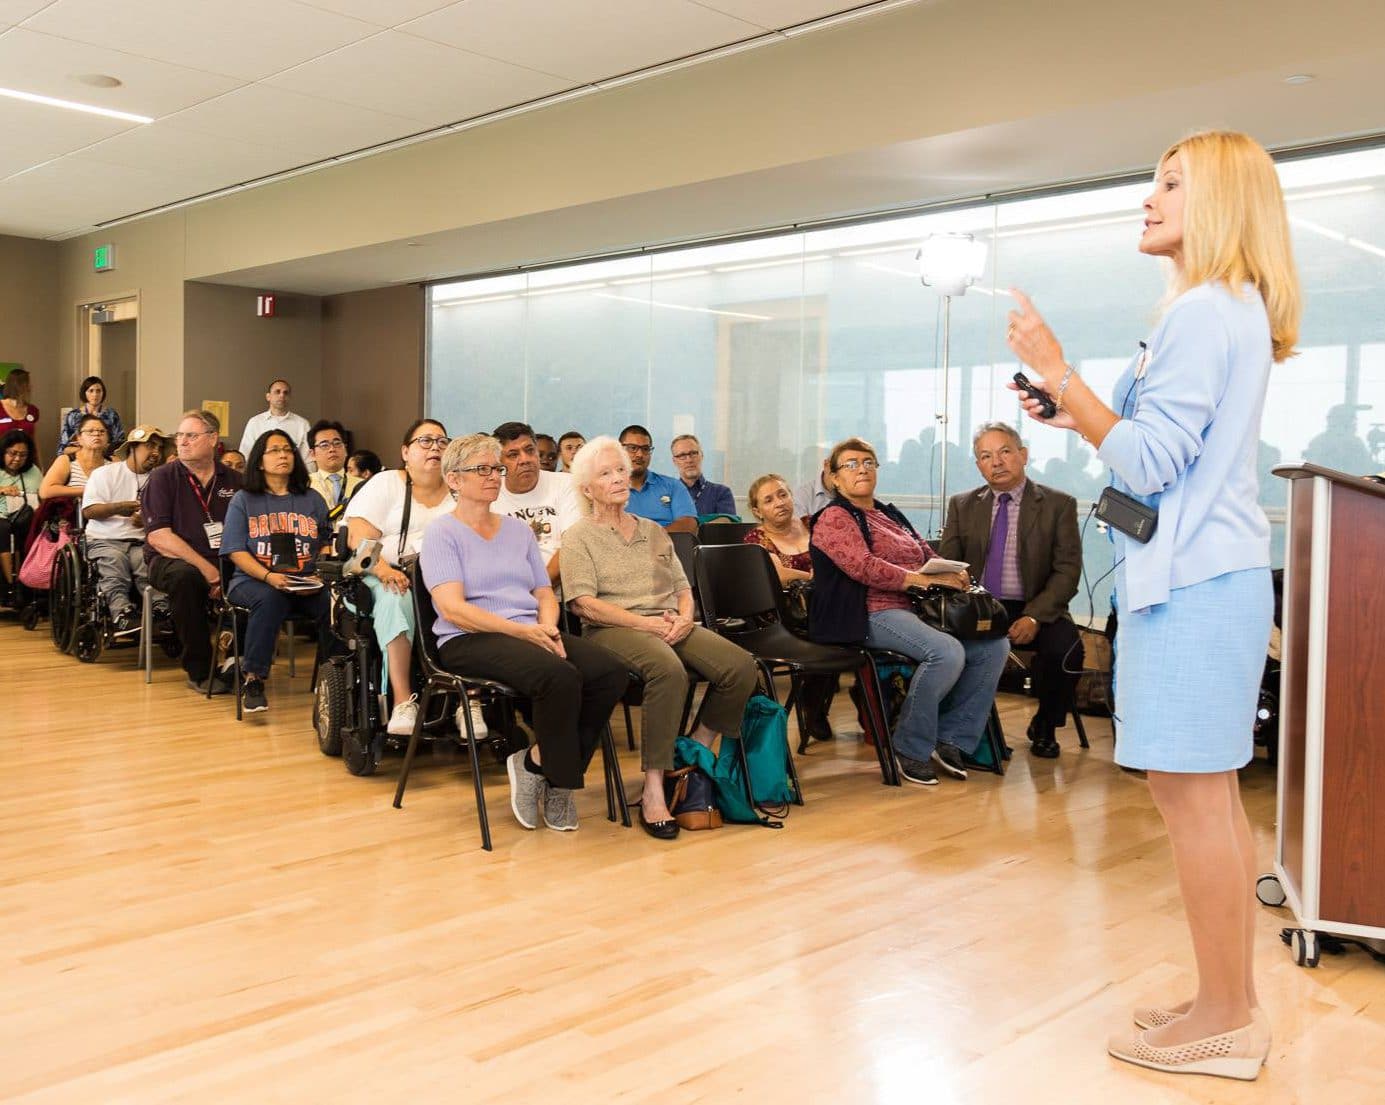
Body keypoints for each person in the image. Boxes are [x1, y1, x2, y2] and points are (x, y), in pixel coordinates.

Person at [1004, 130, 1298, 1079]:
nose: (1148, 198)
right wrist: (1075, 406)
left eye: (1170, 183)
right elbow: (1146, 439)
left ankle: (1224, 1016)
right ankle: (1230, 1002)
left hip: (1194, 585)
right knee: (1205, 795)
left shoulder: (1203, 312)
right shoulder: (1223, 308)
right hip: (1212, 578)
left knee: (1189, 797)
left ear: (1217, 201)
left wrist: (1056, 371)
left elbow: (1148, 461)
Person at [421, 434, 629, 832]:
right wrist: (524, 634)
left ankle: (536, 761)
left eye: (495, 468)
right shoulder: (441, 533)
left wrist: (547, 627)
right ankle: (562, 784)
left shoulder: (518, 531)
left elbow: (543, 591)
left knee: (609, 673)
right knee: (560, 676)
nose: (493, 476)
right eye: (481, 469)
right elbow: (453, 608)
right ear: (453, 478)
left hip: (530, 629)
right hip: (467, 638)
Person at [561, 436, 759, 841]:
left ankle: (690, 752)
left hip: (668, 621)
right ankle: (654, 789)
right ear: (587, 489)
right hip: (611, 629)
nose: (619, 478)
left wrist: (685, 619)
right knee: (668, 670)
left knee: (741, 666)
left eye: (620, 469)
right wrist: (648, 626)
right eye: (605, 473)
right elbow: (584, 605)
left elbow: (683, 588)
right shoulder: (578, 536)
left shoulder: (653, 530)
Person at [808, 437, 1009, 786]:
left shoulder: (889, 513)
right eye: (852, 464)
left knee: (994, 647)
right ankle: (910, 746)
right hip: (867, 613)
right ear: (834, 477)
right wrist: (918, 580)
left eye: (869, 462)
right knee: (946, 651)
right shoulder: (833, 518)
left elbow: (922, 551)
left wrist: (950, 573)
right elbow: (864, 566)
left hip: (916, 610)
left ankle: (953, 737)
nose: (862, 470)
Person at [938, 422, 1083, 759]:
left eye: (1004, 451)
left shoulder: (1058, 504)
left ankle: (1045, 725)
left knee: (1066, 651)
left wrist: (1034, 615)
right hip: (980, 608)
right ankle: (959, 732)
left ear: (1023, 454)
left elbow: (1067, 571)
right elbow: (949, 564)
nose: (997, 462)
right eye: (986, 456)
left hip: (1037, 605)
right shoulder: (962, 504)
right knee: (948, 648)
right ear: (978, 465)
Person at [343, 419, 456, 736]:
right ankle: (403, 701)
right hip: (386, 574)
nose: (434, 447)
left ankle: (467, 701)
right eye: (425, 441)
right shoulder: (387, 483)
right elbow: (359, 539)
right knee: (396, 597)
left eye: (441, 441)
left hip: (443, 580)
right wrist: (383, 569)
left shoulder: (459, 490)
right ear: (405, 452)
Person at [221, 430, 332, 714]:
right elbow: (235, 551)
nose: (283, 455)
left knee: (336, 603)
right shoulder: (244, 500)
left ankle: (334, 678)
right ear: (260, 461)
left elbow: (325, 543)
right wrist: (269, 577)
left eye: (287, 450)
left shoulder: (312, 499)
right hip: (252, 581)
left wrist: (318, 575)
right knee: (271, 599)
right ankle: (253, 680)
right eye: (274, 450)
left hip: (305, 582)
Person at [142, 410, 242, 694]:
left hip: (227, 559)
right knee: (186, 578)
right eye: (180, 435)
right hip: (172, 561)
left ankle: (241, 662)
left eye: (191, 435)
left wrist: (225, 568)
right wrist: (208, 571)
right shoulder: (163, 477)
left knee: (254, 577)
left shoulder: (235, 481)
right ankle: (200, 669)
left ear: (212, 439)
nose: (182, 442)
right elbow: (159, 537)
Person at [744, 472, 837, 743]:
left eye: (783, 494)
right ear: (757, 510)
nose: (779, 502)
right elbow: (778, 575)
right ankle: (813, 707)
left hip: (823, 606)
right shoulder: (755, 539)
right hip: (784, 614)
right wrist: (814, 578)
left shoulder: (812, 524)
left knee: (845, 625)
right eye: (769, 500)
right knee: (832, 630)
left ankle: (817, 705)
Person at [81, 425, 166, 635]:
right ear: (133, 448)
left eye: (159, 447)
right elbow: (89, 511)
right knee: (114, 564)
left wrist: (147, 521)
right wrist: (119, 507)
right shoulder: (104, 474)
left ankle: (162, 611)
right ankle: (121, 613)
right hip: (105, 538)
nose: (156, 452)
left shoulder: (160, 479)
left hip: (142, 540)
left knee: (149, 567)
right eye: (150, 446)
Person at [492, 421, 582, 586]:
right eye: (513, 454)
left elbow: (572, 547)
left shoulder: (566, 484)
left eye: (529, 450)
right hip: (509, 593)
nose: (525, 459)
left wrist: (539, 590)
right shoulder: (491, 495)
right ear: (499, 462)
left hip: (561, 595)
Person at [618, 424, 696, 533]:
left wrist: (653, 539)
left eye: (645, 449)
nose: (640, 454)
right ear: (619, 450)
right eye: (633, 448)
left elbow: (688, 524)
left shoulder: (672, 486)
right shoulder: (610, 488)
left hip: (668, 546)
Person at [0, 429, 42, 595]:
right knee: (3, 529)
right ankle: (9, 583)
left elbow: (43, 494)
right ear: (3, 451)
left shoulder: (33, 472)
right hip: (1, 517)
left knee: (32, 528)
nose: (17, 459)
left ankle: (27, 582)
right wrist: (2, 489)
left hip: (24, 516)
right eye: (13, 453)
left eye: (23, 455)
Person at [238, 379, 311, 466]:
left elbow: (308, 459)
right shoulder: (255, 422)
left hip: (293, 477)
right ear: (268, 397)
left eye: (285, 393)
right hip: (260, 476)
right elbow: (245, 454)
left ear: (289, 397)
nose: (282, 395)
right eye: (277, 392)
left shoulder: (302, 424)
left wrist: (307, 479)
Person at [39, 413, 109, 501]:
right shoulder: (66, 460)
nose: (97, 434)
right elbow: (45, 491)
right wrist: (87, 491)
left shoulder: (114, 462)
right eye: (90, 431)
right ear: (79, 438)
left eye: (102, 431)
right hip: (74, 513)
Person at [306, 419, 360, 525]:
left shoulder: (362, 485)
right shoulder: (304, 484)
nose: (332, 449)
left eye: (337, 443)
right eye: (324, 445)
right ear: (312, 454)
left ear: (346, 450)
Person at [671, 433, 736, 517]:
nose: (689, 460)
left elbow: (727, 526)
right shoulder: (668, 494)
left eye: (693, 453)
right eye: (682, 455)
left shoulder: (721, 492)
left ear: (702, 455)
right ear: (674, 461)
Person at [57, 376, 124, 456]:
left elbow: (120, 445)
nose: (95, 394)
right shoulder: (73, 416)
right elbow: (62, 449)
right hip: (79, 460)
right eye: (91, 391)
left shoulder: (112, 415)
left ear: (103, 393)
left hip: (106, 460)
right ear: (84, 393)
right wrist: (85, 447)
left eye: (98, 391)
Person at [0, 369, 39, 440]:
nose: (30, 387)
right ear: (18, 385)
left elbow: (34, 441)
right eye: (28, 383)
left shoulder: (32, 410)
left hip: (26, 451)